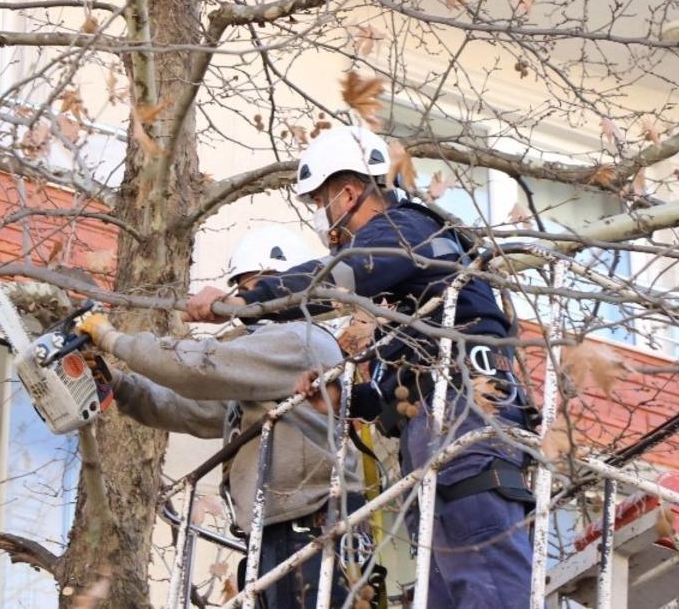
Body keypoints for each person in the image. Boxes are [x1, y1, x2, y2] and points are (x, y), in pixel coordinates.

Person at [184, 126, 535, 608]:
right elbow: (403, 386)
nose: (322, 220)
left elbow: (333, 280)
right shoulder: (404, 299)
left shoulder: (407, 230)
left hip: (468, 415)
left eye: (320, 202)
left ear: (348, 193)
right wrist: (348, 398)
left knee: (486, 580)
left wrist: (241, 301)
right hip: (435, 427)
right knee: (447, 587)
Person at [76, 226, 378, 609]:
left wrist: (112, 338)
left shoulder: (300, 339)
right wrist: (117, 382)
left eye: (253, 289)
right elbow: (188, 408)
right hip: (277, 531)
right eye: (243, 289)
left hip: (312, 525)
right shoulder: (261, 372)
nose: (247, 304)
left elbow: (199, 367)